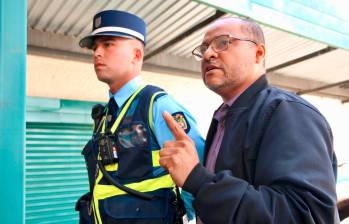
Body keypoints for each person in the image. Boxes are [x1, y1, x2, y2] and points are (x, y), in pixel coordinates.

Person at [159, 17, 340, 223]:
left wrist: (198, 180)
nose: (208, 54)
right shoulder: (223, 116)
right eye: (204, 48)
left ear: (258, 53)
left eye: (222, 42)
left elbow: (303, 214)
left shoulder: (288, 112)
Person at [75, 10, 204, 224]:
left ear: (136, 55)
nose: (97, 53)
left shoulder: (157, 106)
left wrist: (195, 217)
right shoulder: (106, 114)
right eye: (95, 46)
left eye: (108, 44)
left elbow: (199, 171)